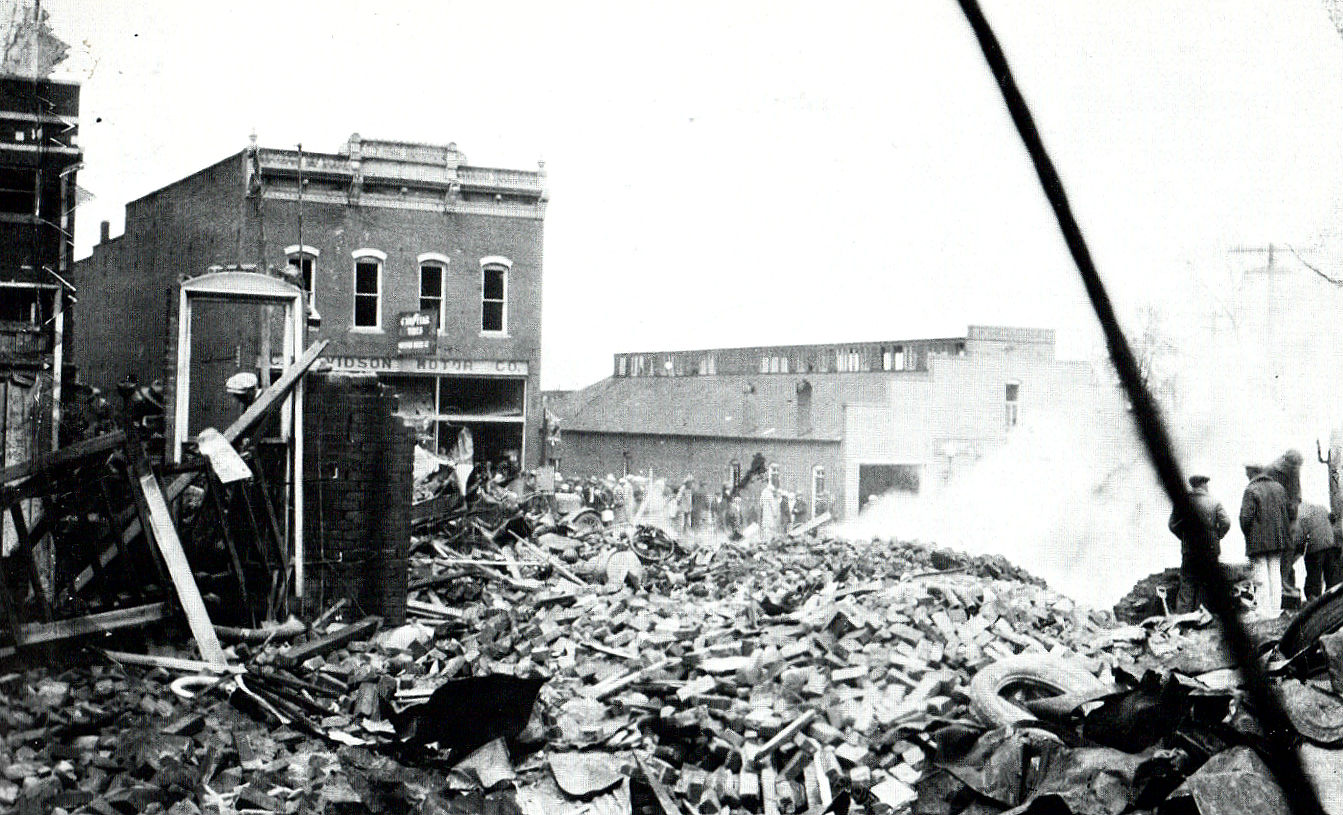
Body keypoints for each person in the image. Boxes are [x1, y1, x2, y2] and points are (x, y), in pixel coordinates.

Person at [1167, 474, 1230, 613]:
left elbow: (1172, 525)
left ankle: (1183, 619)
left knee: (1187, 584)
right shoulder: (1214, 502)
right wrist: (1217, 536)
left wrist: (1184, 537)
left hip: (1189, 550)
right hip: (1210, 549)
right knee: (1207, 584)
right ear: (1204, 485)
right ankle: (1206, 619)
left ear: (1193, 486)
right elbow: (1226, 523)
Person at [1241, 463, 1292, 619]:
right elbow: (1289, 512)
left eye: (1247, 472)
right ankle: (1276, 609)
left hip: (1258, 541)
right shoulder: (1279, 488)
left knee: (1261, 575)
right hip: (1278, 539)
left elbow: (1245, 517)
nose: (1246, 475)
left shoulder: (1251, 489)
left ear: (1252, 472)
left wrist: (1248, 533)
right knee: (1275, 574)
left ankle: (1264, 611)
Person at [1268, 450, 1305, 605]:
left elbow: (1297, 495)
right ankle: (1278, 592)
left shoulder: (1294, 471)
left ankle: (1287, 589)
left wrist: (1294, 516)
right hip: (1276, 517)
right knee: (1278, 554)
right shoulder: (1272, 471)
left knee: (1288, 551)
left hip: (1290, 518)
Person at [1295, 501, 1342, 600]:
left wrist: (1297, 550)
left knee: (1314, 576)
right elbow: (1331, 520)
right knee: (1332, 576)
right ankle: (1334, 600)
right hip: (1330, 543)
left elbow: (1299, 536)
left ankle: (1313, 598)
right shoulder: (1322, 508)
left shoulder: (1302, 514)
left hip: (1315, 548)